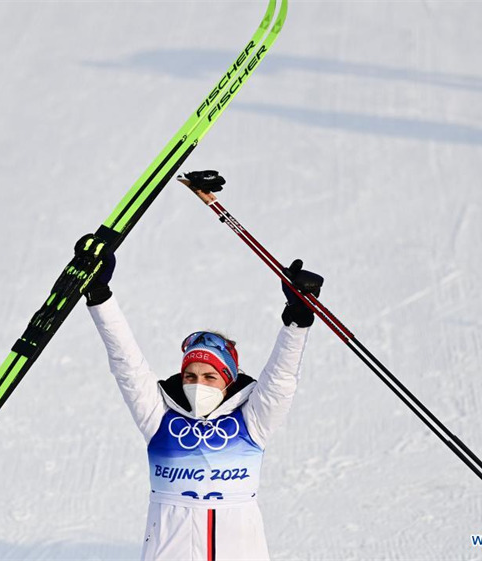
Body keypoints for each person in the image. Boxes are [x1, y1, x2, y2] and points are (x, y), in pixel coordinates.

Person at [78, 234, 322, 560]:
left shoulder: (251, 422)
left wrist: (297, 321)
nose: (198, 384)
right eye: (190, 376)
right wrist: (99, 298)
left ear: (228, 380)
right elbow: (127, 364)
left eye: (209, 377)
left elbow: (280, 380)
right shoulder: (158, 417)